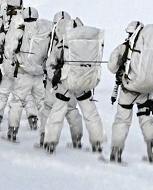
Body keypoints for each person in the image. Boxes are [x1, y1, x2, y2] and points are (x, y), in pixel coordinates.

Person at [107, 21, 153, 164]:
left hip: (128, 88)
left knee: (122, 120)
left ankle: (116, 152)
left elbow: (111, 67)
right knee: (145, 118)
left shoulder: (124, 47)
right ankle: (152, 148)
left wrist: (120, 66)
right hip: (147, 89)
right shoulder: (149, 50)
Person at [43, 14, 106, 154]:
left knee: (57, 112)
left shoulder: (64, 43)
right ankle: (97, 142)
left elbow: (51, 63)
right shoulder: (89, 44)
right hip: (85, 83)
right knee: (90, 113)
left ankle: (50, 142)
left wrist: (54, 77)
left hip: (67, 83)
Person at [5, 6, 51, 142]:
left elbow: (9, 52)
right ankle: (45, 134)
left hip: (23, 73)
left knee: (17, 101)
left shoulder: (19, 28)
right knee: (43, 103)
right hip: (40, 74)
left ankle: (12, 130)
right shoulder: (45, 28)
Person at [0, 0, 25, 133]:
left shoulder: (3, 20)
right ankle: (15, 127)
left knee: (2, 92)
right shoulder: (24, 20)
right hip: (22, 65)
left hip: (7, 63)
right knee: (19, 97)